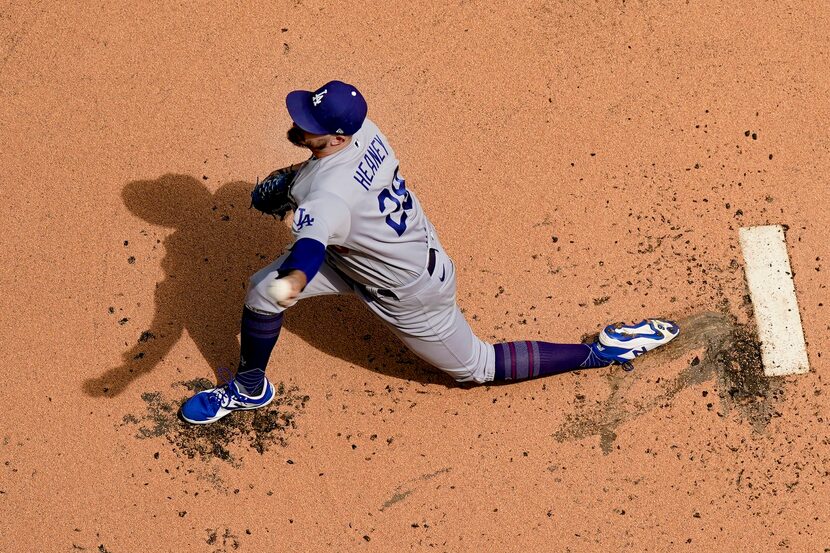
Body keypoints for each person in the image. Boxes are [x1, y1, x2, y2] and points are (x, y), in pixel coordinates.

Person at [180, 80, 679, 424]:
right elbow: (326, 179)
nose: (298, 124)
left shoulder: (327, 200)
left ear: (336, 136)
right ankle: (249, 388)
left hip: (411, 291)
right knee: (260, 293)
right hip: (376, 253)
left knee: (477, 368)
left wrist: (294, 279)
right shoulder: (366, 132)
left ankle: (603, 352)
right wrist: (293, 180)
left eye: (308, 123)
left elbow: (309, 248)